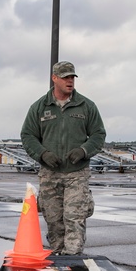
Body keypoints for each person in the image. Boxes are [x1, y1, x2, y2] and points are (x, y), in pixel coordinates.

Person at [20, 61, 106, 255]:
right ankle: (58, 260)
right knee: (53, 220)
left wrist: (84, 151)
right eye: (65, 77)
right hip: (50, 174)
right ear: (54, 79)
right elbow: (27, 135)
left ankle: (73, 261)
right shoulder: (40, 107)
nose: (70, 81)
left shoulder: (86, 106)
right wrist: (42, 154)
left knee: (74, 217)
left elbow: (98, 135)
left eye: (72, 77)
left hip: (77, 173)